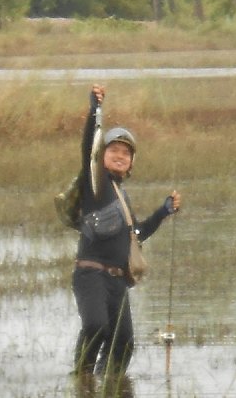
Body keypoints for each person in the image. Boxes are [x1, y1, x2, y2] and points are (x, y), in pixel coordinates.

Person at [72, 84, 181, 380]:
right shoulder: (96, 185)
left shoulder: (122, 197)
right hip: (91, 275)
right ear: (103, 155)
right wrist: (95, 109)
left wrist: (163, 212)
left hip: (118, 282)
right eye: (114, 150)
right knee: (96, 326)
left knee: (125, 342)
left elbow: (138, 235)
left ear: (132, 162)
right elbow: (88, 150)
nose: (120, 156)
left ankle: (108, 385)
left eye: (126, 152)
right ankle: (81, 379)